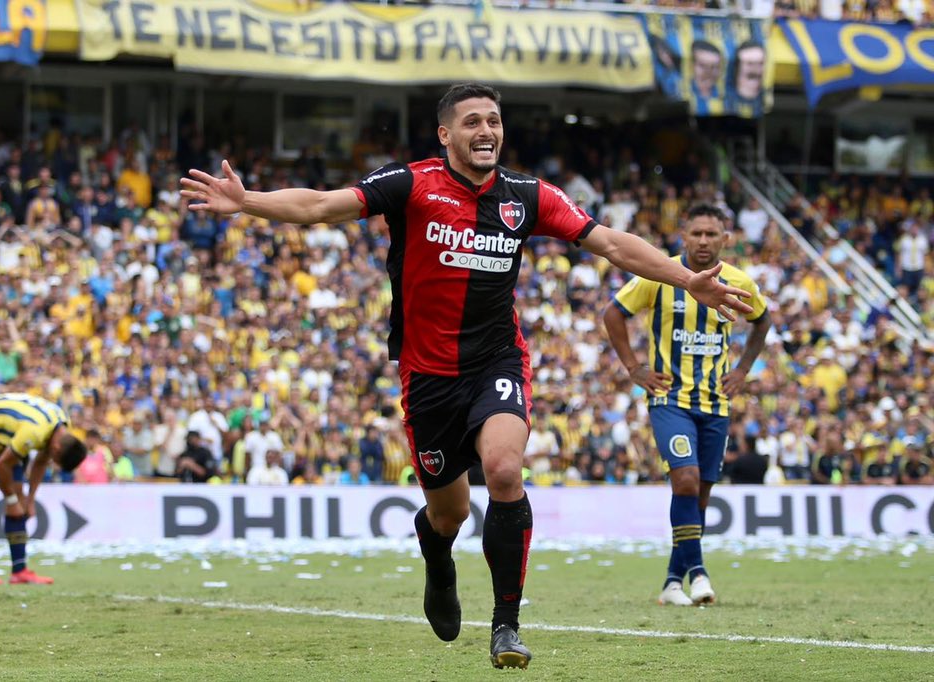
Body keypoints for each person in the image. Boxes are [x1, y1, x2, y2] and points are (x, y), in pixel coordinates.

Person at [182, 82, 752, 669]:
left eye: (494, 121)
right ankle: (437, 556)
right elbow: (322, 206)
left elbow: (609, 242)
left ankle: (507, 625)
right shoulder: (411, 184)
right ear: (445, 134)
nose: (486, 131)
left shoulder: (526, 196)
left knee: (504, 470)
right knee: (448, 514)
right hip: (427, 376)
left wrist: (686, 279)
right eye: (473, 121)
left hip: (496, 362)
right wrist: (247, 202)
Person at [603, 203, 770, 608]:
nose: (703, 241)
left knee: (700, 498)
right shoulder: (660, 276)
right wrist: (634, 368)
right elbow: (613, 314)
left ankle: (672, 582)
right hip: (669, 399)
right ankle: (698, 574)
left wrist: (742, 369)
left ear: (725, 239)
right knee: (686, 481)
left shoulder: (738, 281)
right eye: (696, 233)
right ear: (684, 236)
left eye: (712, 234)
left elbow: (763, 321)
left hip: (715, 403)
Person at [0, 393, 87, 585]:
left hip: (7, 436)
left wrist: (29, 500)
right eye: (55, 459)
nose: (52, 461)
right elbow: (2, 465)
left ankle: (19, 570)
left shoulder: (62, 429)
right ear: (57, 448)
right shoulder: (34, 432)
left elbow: (41, 462)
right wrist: (11, 500)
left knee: (19, 495)